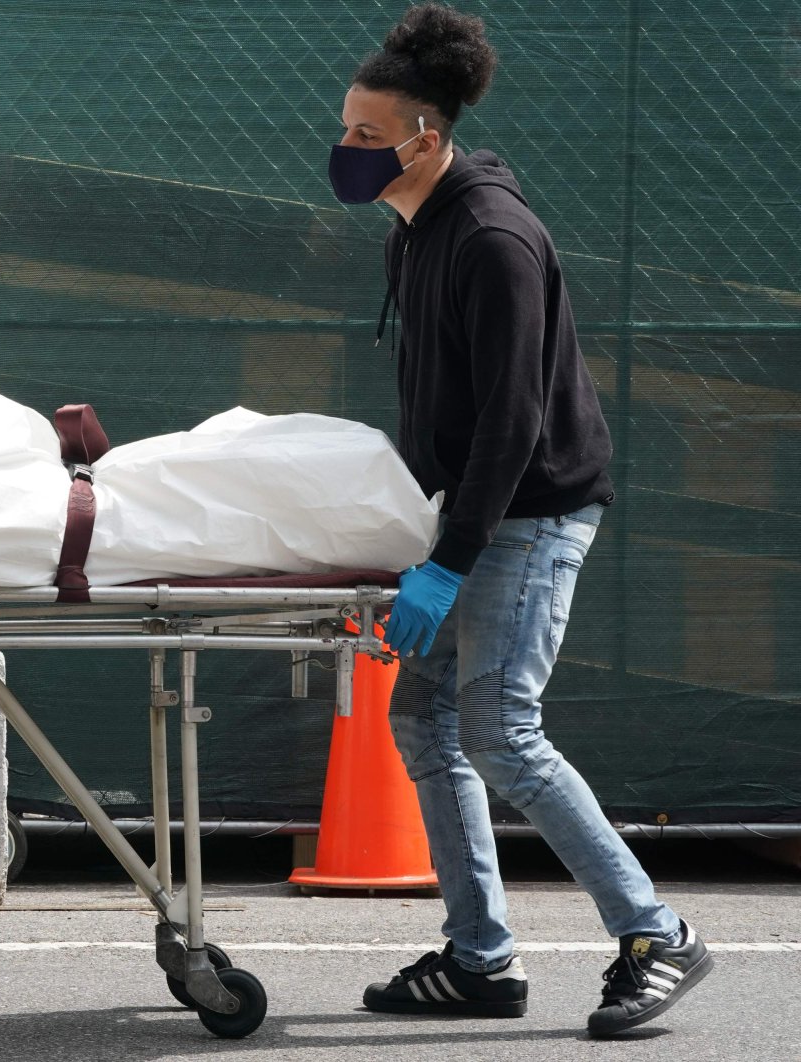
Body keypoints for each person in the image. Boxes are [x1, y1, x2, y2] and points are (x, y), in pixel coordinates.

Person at [328, 3, 712, 1038]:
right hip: (476, 514)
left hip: (533, 515)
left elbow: (511, 420)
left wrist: (448, 563)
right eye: (346, 128)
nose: (348, 149)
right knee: (423, 718)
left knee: (501, 728)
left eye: (369, 134)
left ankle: (657, 933)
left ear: (428, 136)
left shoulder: (493, 238)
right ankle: (479, 958)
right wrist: (408, 541)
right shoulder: (415, 231)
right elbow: (436, 413)